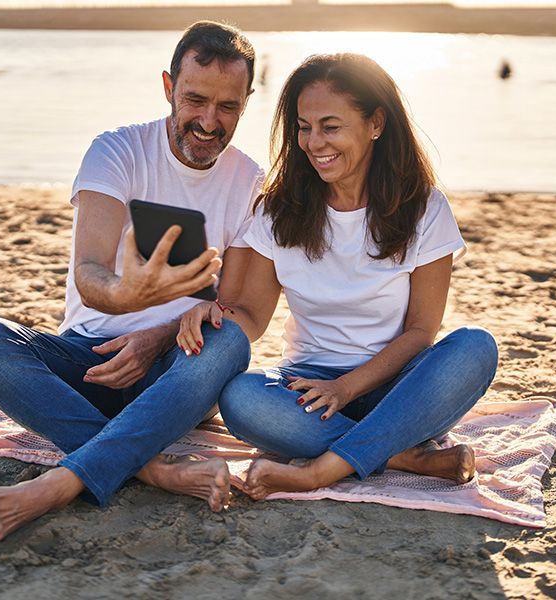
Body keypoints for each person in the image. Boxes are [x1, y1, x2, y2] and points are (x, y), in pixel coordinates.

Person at [0, 21, 263, 543]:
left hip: (176, 371)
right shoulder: (117, 151)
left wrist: (158, 336)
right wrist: (124, 298)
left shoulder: (250, 180)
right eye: (194, 100)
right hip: (90, 361)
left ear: (246, 100)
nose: (209, 122)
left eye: (228, 107)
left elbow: (234, 309)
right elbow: (90, 272)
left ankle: (63, 481)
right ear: (168, 87)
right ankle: (153, 469)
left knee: (231, 343)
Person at [177, 53, 498, 500]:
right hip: (307, 390)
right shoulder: (277, 211)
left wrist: (345, 389)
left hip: (400, 388)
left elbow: (421, 332)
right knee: (240, 397)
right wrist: (214, 311)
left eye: (330, 126)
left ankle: (320, 469)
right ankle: (401, 455)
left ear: (375, 124)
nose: (313, 143)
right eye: (303, 127)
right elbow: (251, 315)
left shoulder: (425, 208)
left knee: (475, 346)